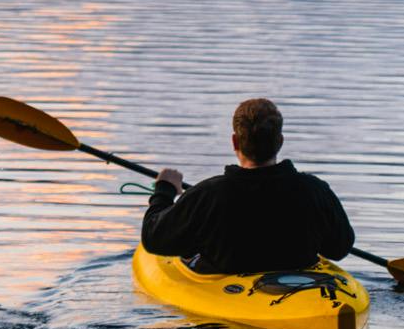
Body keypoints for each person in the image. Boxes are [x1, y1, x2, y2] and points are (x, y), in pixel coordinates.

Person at [140, 97, 355, 275]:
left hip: (229, 292)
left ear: (235, 142)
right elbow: (339, 248)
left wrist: (164, 190)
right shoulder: (315, 190)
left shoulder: (208, 194)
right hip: (299, 287)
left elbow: (152, 239)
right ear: (280, 141)